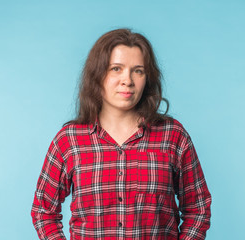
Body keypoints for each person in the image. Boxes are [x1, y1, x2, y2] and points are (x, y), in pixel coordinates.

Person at [31, 28, 212, 240]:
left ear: (147, 78)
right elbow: (43, 211)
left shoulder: (173, 136)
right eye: (116, 68)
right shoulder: (69, 140)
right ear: (97, 75)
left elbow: (197, 208)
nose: (127, 80)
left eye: (138, 71)